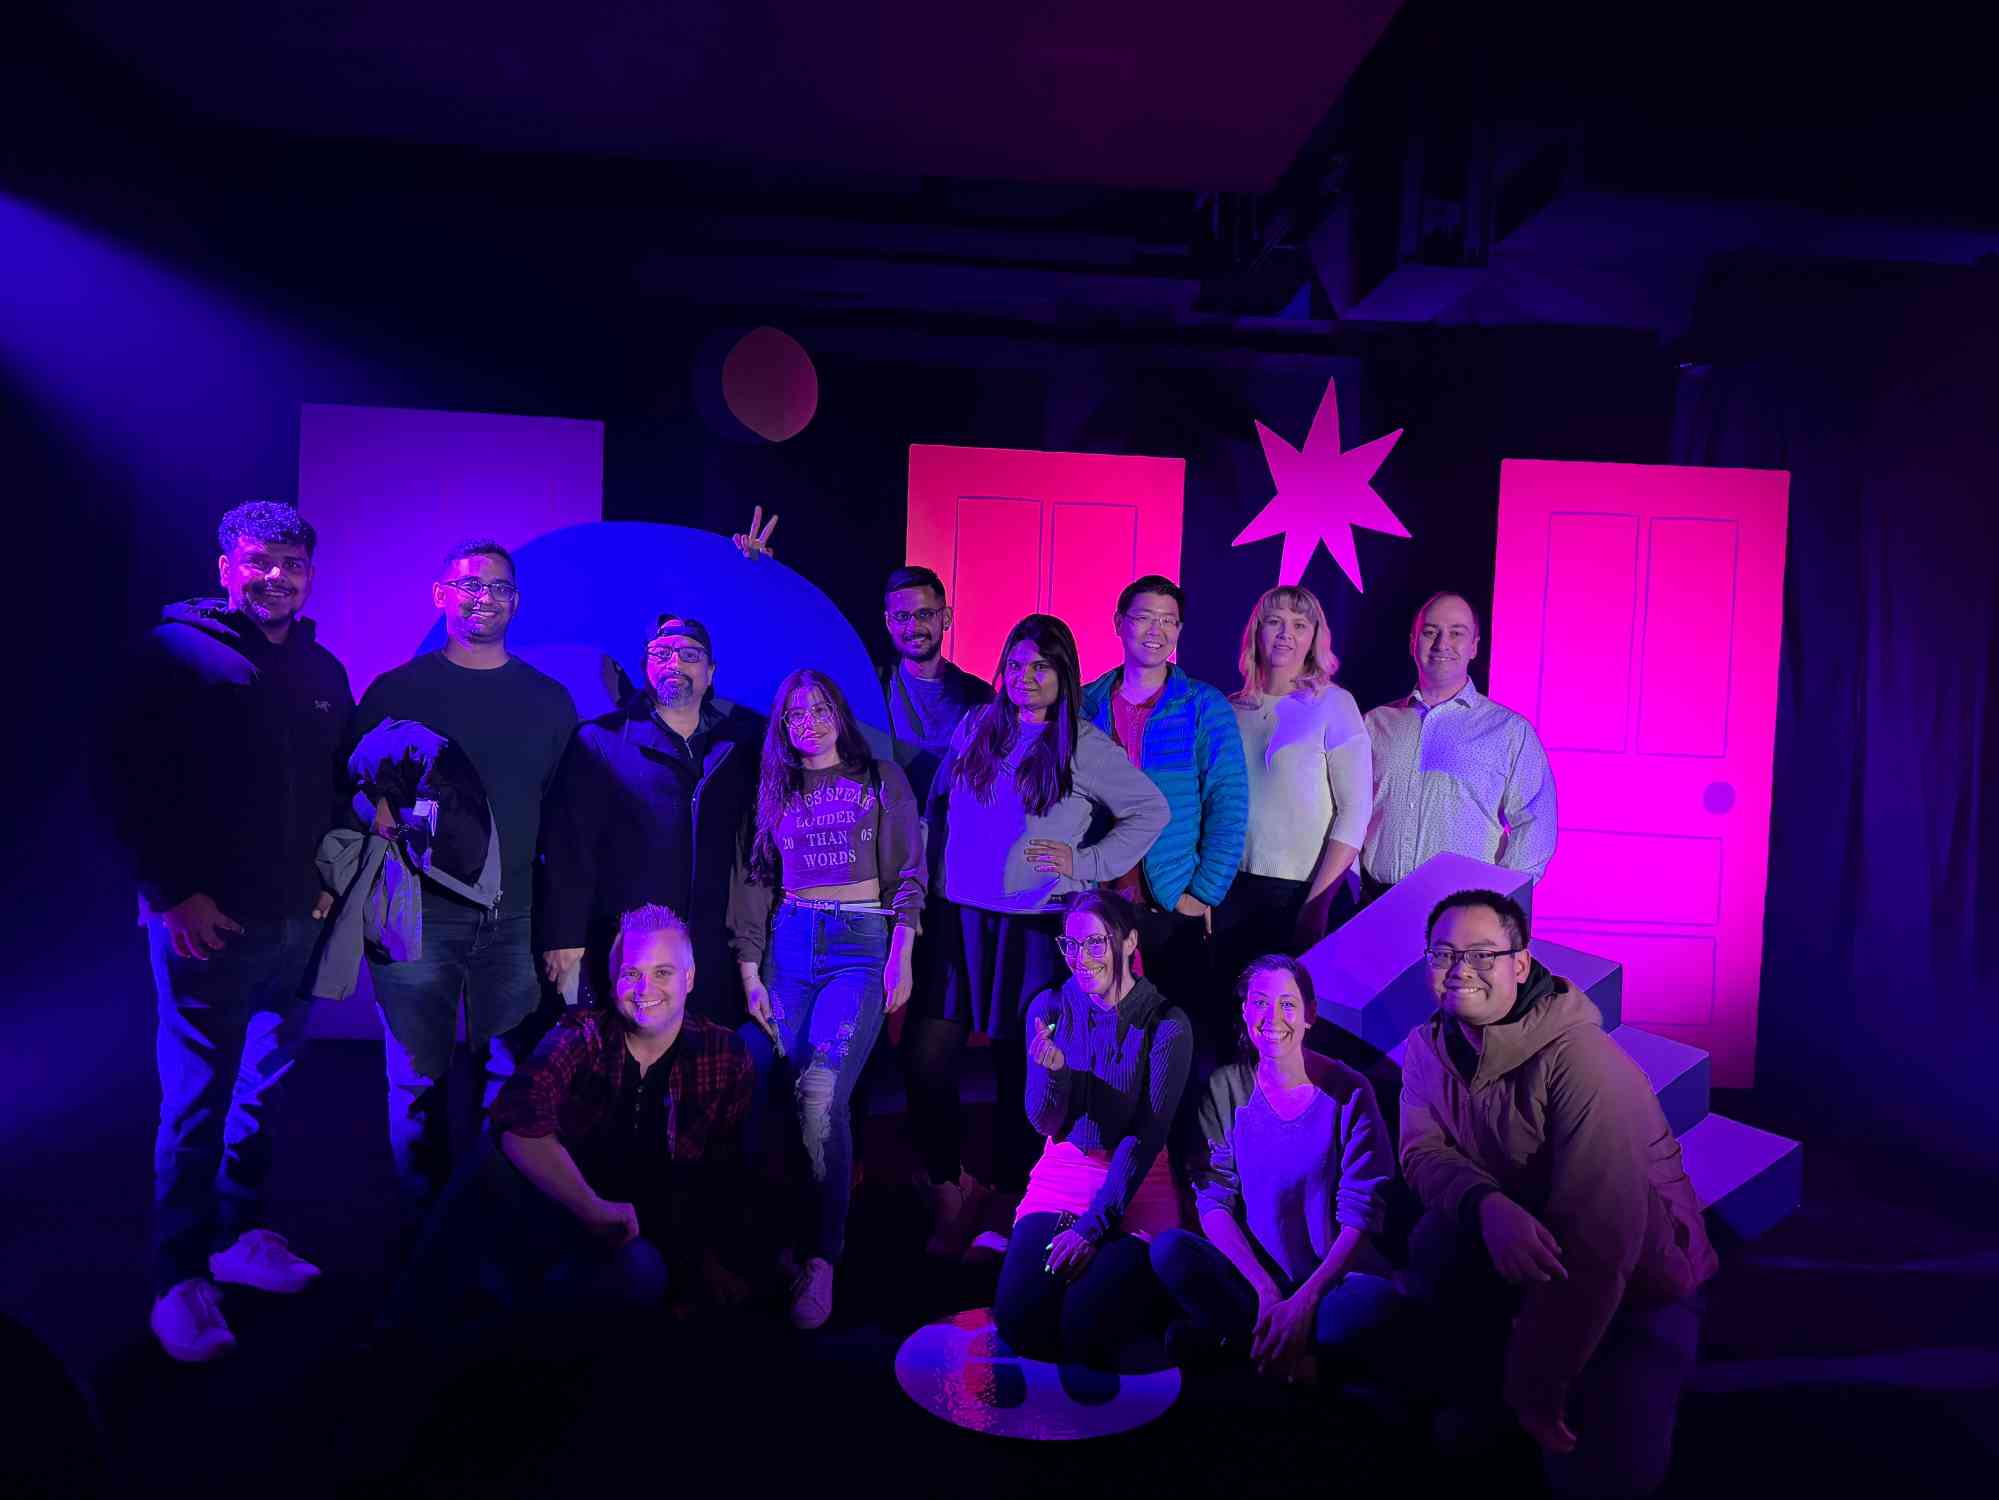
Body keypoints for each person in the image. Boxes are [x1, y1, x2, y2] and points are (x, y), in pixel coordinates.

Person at [100, 501, 354, 1361]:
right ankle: (177, 1277)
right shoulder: (173, 654)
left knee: (262, 1090)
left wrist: (328, 884)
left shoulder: (322, 669)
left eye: (291, 563)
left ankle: (241, 1239)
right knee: (197, 1100)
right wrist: (172, 893)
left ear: (309, 574)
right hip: (203, 925)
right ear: (225, 568)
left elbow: (334, 790)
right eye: (258, 561)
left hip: (295, 925)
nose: (275, 576)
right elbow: (124, 782)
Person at [1399, 889, 1717, 1497]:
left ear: (1520, 965)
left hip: (1640, 1281)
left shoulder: (1582, 1060)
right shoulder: (1427, 1046)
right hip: (1528, 1240)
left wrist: (1536, 1381)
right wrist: (1486, 1205)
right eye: (1444, 953)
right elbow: (1422, 1152)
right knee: (1433, 1241)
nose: (1460, 969)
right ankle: (1484, 1384)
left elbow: (1602, 1240)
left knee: (1598, 1478)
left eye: (1482, 954)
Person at [348, 539, 578, 1234]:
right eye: (471, 585)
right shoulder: (396, 690)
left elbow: (564, 818)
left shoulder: (548, 702)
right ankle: (425, 1238)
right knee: (417, 1082)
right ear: (440, 595)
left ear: (517, 602)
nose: (486, 598)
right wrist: (379, 814)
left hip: (512, 920)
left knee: (508, 1083)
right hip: (412, 916)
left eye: (500, 588)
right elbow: (355, 791)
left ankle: (487, 1227)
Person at [394, 904, 754, 1331]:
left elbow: (726, 1171)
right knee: (489, 1159)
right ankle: (408, 1321)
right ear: (614, 979)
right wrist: (591, 1208)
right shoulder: (582, 1031)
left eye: (663, 972)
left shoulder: (724, 1053)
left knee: (639, 1273)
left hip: (644, 1234)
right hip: (564, 1208)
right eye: (632, 973)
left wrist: (708, 1260)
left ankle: (523, 1323)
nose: (645, 988)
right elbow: (515, 1116)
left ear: (689, 979)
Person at [915, 615, 1169, 1220]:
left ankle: (1012, 1206)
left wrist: (1087, 862)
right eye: (1015, 665)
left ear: (1063, 674)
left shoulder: (1084, 744)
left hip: (1035, 924)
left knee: (1021, 1068)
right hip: (959, 917)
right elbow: (938, 805)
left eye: (1040, 667)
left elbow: (1151, 811)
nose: (1024, 677)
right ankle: (950, 1184)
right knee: (926, 1057)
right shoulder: (977, 724)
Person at [728, 670, 925, 1329]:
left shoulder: (880, 779)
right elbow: (754, 881)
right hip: (787, 945)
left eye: (819, 708)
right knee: (757, 1076)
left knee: (820, 1092)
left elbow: (908, 876)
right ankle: (767, 1240)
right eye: (794, 714)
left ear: (839, 714)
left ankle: (822, 1257)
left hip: (858, 945)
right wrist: (750, 974)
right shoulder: (774, 790)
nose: (808, 721)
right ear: (782, 727)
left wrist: (901, 955)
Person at [1150, 954, 1399, 1379]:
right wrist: (1266, 1291)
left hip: (1330, 1283)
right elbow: (1213, 1199)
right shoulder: (1225, 1088)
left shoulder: (1350, 1091)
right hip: (1255, 1282)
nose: (1273, 1017)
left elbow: (1360, 1213)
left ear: (1309, 1015)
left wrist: (1305, 1301)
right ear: (1245, 1011)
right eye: (1260, 1003)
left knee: (1378, 1304)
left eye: (1287, 1004)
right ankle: (1292, 1357)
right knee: (1170, 1251)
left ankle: (1252, 1349)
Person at [991, 891, 1192, 1367]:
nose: (1082, 959)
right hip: (1064, 1173)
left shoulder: (1166, 1024)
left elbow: (1145, 1138)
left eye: (1096, 943)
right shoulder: (1050, 1007)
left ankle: (1158, 1301)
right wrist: (1054, 1073)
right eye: (1072, 945)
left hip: (1135, 1181)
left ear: (1129, 942)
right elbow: (1043, 1122)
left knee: (1086, 1329)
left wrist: (1091, 1228)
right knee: (1019, 1323)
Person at [539, 615, 762, 1022]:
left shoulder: (741, 748)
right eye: (662, 653)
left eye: (690, 655)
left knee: (707, 1054)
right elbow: (568, 847)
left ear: (710, 673)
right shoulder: (599, 741)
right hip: (627, 948)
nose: (675, 662)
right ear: (646, 667)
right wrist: (565, 935)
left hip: (714, 951)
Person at [1080, 577, 1247, 1007]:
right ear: (1119, 622)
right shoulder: (1085, 703)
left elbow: (1228, 803)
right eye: (1143, 618)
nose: (1156, 630)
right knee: (1102, 1023)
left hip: (1171, 896)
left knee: (1175, 1025)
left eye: (1168, 621)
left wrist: (1202, 893)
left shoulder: (1203, 704)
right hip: (1099, 894)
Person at [1212, 585, 1371, 980]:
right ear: (1257, 631)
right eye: (1275, 622)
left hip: (1306, 893)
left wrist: (1318, 904)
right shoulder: (1229, 709)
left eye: (1300, 625)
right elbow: (1214, 807)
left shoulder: (1334, 704)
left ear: (1315, 637)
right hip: (1234, 890)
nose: (1286, 634)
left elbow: (1355, 811)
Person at [1361, 592, 1556, 899]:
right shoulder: (1375, 724)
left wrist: (1496, 901)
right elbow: (1348, 813)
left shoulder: (1508, 730)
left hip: (1463, 911)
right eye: (1430, 632)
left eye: (1456, 633)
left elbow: (1536, 823)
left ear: (1474, 646)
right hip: (1375, 902)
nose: (1442, 643)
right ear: (1412, 643)